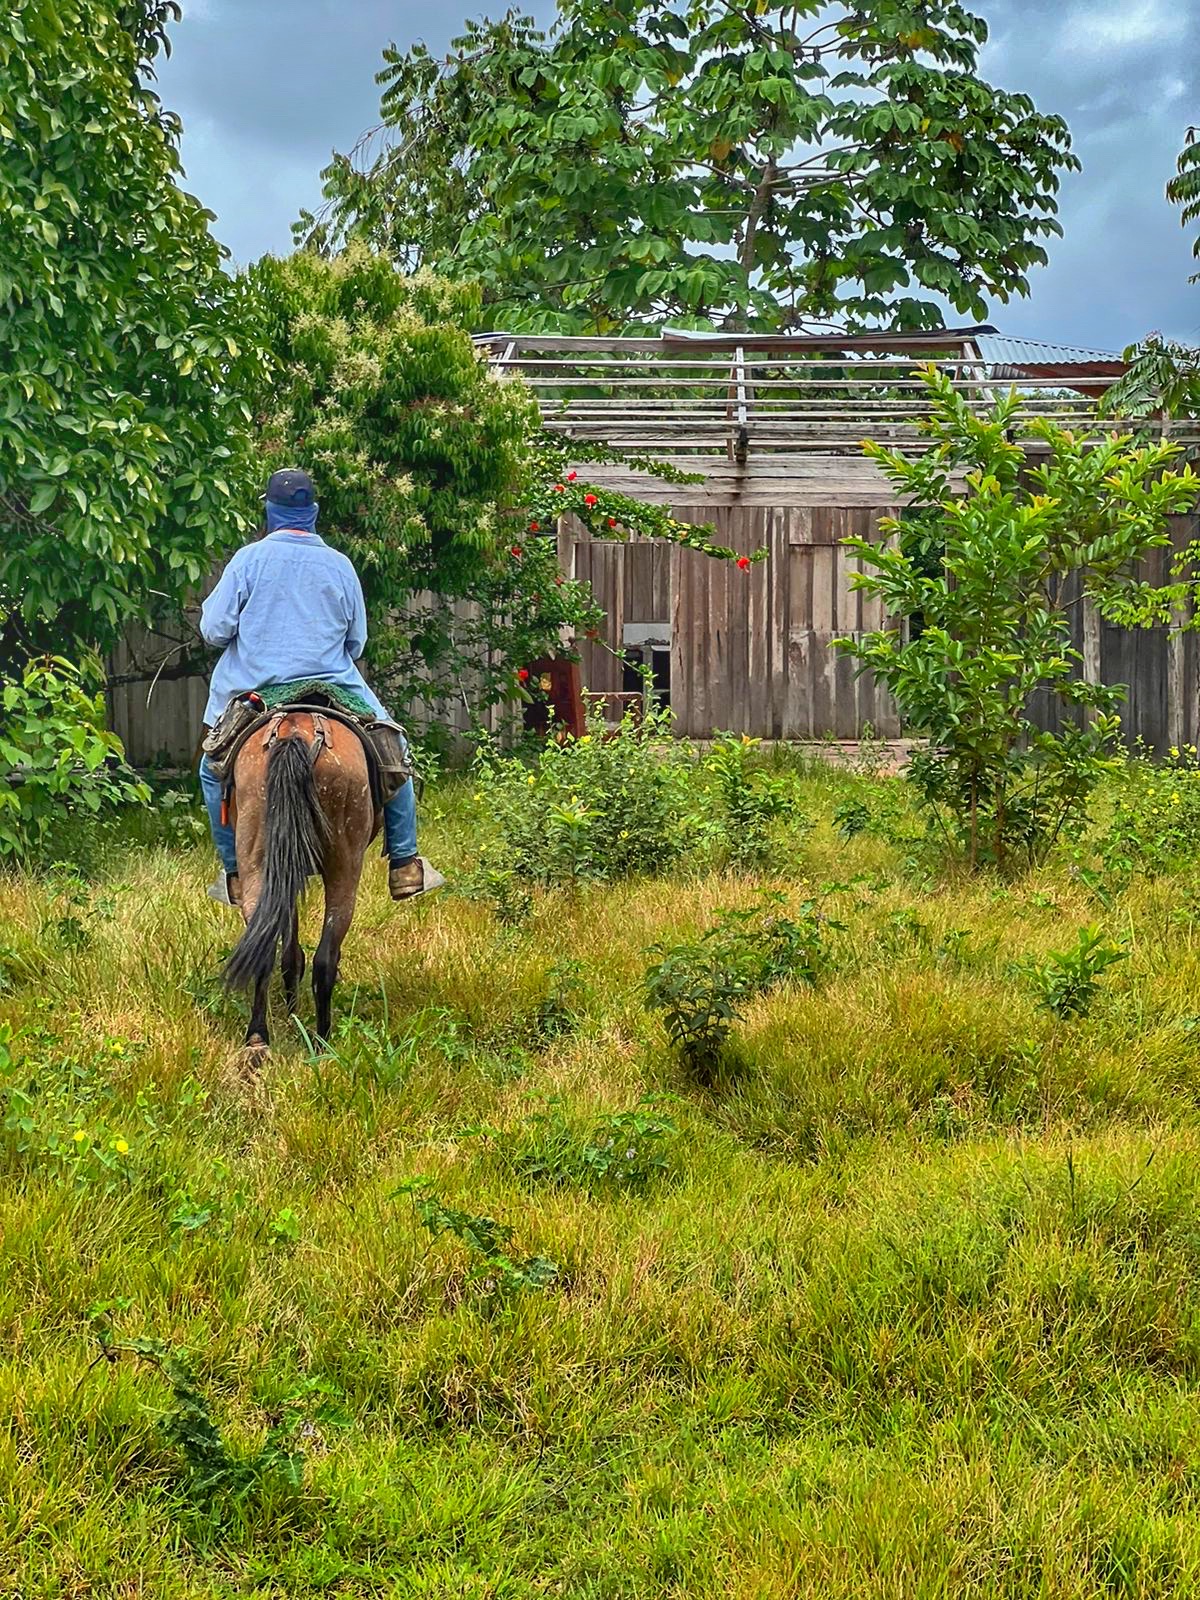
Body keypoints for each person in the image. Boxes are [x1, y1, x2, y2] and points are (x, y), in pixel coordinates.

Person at [197, 467, 444, 906]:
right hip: (332, 687)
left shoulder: (248, 560)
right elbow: (357, 641)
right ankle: (404, 862)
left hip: (257, 693)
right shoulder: (340, 565)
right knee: (394, 754)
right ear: (312, 512)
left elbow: (215, 630)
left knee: (211, 768)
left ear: (270, 512)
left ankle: (236, 874)